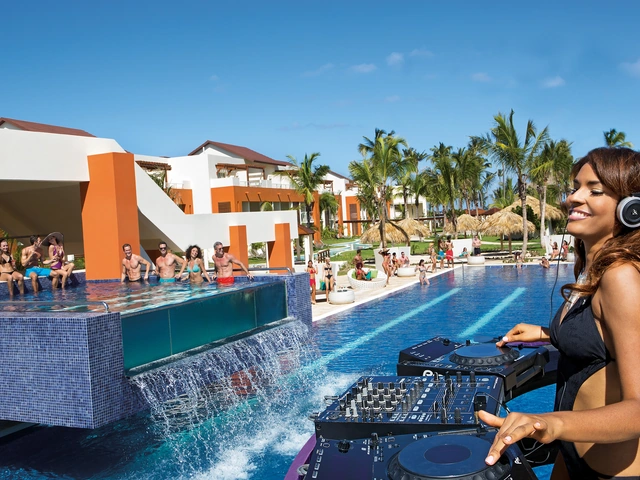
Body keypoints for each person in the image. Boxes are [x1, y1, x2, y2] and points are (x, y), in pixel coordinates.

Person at [479, 147, 640, 478]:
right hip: (574, 452)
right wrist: (549, 333)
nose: (573, 198)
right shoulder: (590, 269)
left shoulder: (621, 277)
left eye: (595, 190)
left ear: (631, 209)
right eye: (575, 187)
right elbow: (604, 339)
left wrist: (548, 423)